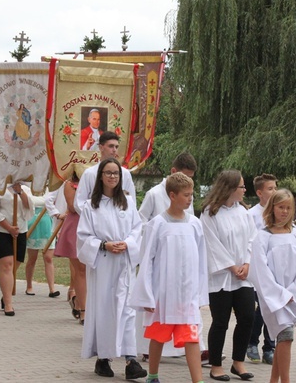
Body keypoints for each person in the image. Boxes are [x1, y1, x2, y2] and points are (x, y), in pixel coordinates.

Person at [130, 172, 208, 383]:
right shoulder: (157, 224)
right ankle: (153, 375)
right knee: (158, 336)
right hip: (163, 293)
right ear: (172, 195)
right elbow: (147, 260)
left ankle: (198, 380)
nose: (190, 198)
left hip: (187, 293)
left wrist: (200, 292)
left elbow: (201, 259)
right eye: (186, 194)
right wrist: (147, 294)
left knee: (192, 336)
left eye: (192, 194)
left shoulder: (195, 224)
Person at [77, 158, 146, 380]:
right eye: (108, 173)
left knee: (127, 309)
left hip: (124, 263)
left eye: (116, 173)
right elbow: (84, 237)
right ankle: (104, 358)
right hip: (104, 263)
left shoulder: (127, 202)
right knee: (105, 309)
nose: (112, 177)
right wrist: (104, 245)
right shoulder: (91, 206)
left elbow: (138, 229)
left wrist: (128, 243)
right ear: (100, 176)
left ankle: (130, 360)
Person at [249, 189, 296, 383]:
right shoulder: (263, 237)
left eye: (288, 208)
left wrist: (294, 292)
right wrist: (279, 294)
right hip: (272, 296)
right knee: (286, 336)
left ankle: (274, 380)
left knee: (282, 338)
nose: (284, 211)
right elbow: (260, 270)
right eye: (281, 207)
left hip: (292, 294)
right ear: (272, 208)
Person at [201, 170, 256, 382]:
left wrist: (248, 263)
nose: (244, 190)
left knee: (247, 317)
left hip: (244, 276)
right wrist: (232, 267)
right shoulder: (210, 213)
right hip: (222, 277)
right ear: (231, 188)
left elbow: (253, 239)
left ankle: (238, 362)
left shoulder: (243, 211)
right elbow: (212, 244)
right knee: (220, 321)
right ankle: (216, 365)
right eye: (242, 187)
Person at [0, 176, 34, 316]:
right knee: (7, 264)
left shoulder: (24, 188)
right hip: (1, 230)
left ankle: (5, 294)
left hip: (20, 230)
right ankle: (8, 303)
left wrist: (20, 192)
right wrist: (9, 228)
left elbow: (29, 207)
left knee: (16, 264)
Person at [246, 173, 278, 365]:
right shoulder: (251, 215)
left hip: (275, 268)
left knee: (273, 308)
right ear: (259, 193)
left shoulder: (279, 212)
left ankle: (269, 346)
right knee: (263, 307)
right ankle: (251, 341)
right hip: (258, 269)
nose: (274, 192)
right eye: (270, 189)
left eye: (275, 188)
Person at [49, 173, 86, 322]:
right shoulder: (70, 184)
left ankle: (79, 299)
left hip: (91, 225)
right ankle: (83, 308)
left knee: (87, 270)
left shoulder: (95, 181)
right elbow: (72, 206)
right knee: (80, 269)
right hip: (75, 225)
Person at [75, 131, 136, 214]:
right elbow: (79, 203)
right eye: (111, 146)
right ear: (101, 147)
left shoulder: (125, 173)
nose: (114, 150)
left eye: (116, 147)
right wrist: (95, 217)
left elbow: (132, 202)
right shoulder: (89, 173)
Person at [138, 152, 197, 223]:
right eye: (185, 176)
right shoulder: (153, 194)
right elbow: (140, 223)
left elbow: (191, 220)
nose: (187, 180)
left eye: (190, 178)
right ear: (173, 171)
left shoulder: (188, 196)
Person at [24, 202, 58, 298]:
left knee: (48, 258)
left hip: (48, 226)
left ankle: (52, 289)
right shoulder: (29, 190)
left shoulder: (50, 191)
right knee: (32, 258)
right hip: (33, 226)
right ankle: (29, 286)